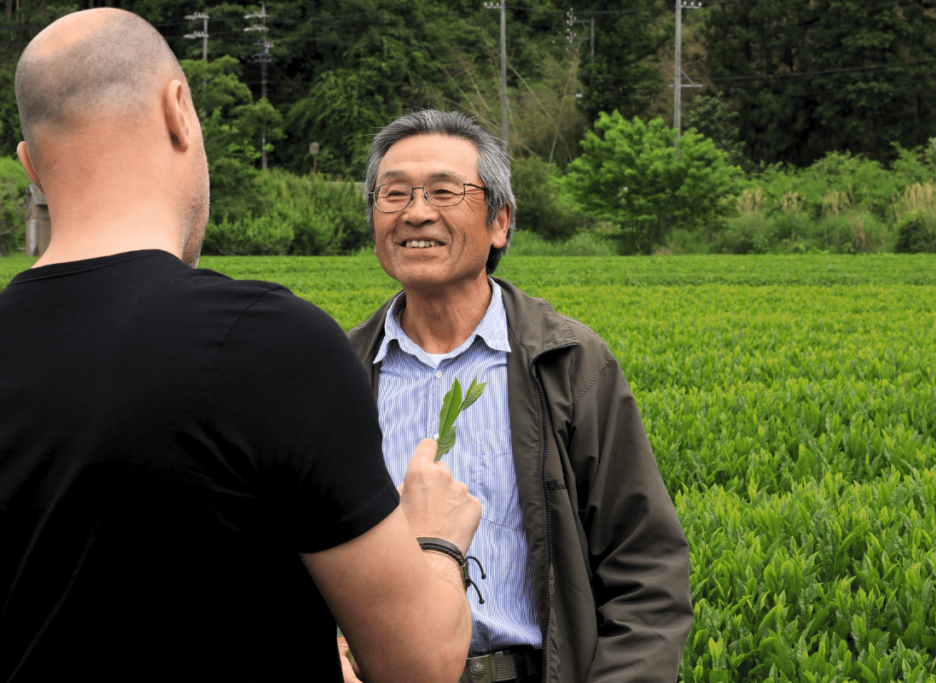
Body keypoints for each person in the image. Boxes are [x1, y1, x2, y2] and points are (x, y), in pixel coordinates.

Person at [0, 11, 481, 682]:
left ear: (31, 165)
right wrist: (435, 537)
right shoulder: (268, 343)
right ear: (179, 113)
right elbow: (421, 663)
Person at [346, 110, 693, 683]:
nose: (416, 212)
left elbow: (646, 569)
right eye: (394, 193)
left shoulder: (569, 363)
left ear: (500, 222)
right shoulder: (339, 374)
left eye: (442, 191)